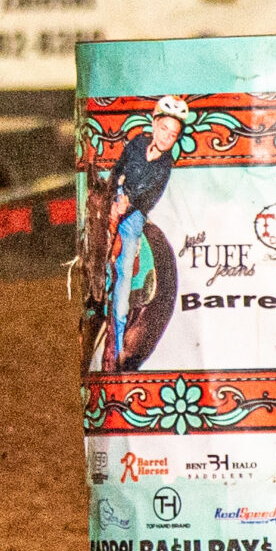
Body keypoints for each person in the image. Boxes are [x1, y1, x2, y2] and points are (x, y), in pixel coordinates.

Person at [103, 95, 187, 371]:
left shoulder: (165, 165)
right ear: (154, 124)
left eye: (173, 134)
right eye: (164, 129)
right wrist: (113, 191)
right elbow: (120, 167)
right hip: (116, 196)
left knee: (125, 265)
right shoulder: (138, 143)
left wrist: (127, 204)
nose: (166, 137)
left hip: (135, 211)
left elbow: (148, 194)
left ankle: (117, 330)